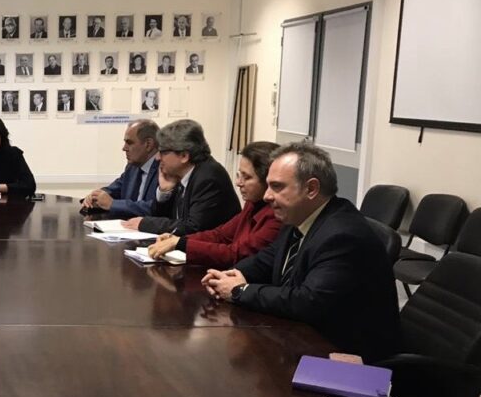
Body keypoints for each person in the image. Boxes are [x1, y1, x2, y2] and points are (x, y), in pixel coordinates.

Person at [201, 142, 400, 361]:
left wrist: (240, 291)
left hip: (346, 355)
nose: (267, 196)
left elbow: (307, 301)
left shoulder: (343, 236)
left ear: (311, 189)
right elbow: (269, 257)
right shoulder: (299, 216)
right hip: (302, 336)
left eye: (277, 187)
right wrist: (233, 274)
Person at [148, 141, 282, 268]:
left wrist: (181, 244)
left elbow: (235, 254)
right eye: (239, 175)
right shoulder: (253, 204)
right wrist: (177, 239)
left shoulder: (277, 215)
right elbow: (221, 235)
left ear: (268, 180)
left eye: (246, 177)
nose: (238, 183)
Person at [123, 119, 240, 235]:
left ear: (184, 156)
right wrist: (165, 193)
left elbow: (193, 227)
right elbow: (168, 218)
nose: (158, 158)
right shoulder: (180, 173)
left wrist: (145, 223)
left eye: (163, 152)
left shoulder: (208, 177)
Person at [81, 120, 160, 218]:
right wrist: (96, 196)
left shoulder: (165, 169)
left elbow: (156, 209)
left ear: (148, 144)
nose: (124, 148)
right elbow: (116, 189)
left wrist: (112, 204)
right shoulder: (132, 167)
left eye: (129, 143)